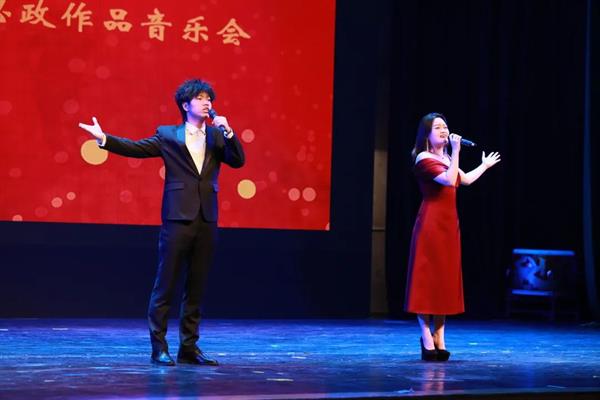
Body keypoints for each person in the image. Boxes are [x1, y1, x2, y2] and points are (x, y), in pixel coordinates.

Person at [78, 79, 245, 366]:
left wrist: (229, 132)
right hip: (177, 218)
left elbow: (238, 161)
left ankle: (189, 348)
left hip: (207, 218)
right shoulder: (168, 135)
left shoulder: (217, 136)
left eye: (209, 98)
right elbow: (136, 148)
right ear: (186, 105)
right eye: (200, 98)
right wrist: (104, 138)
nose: (207, 102)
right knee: (166, 284)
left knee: (196, 286)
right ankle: (159, 347)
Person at [405, 112, 500, 361]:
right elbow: (448, 180)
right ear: (426, 134)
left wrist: (484, 166)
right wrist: (456, 151)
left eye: (445, 127)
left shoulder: (447, 158)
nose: (444, 131)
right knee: (426, 282)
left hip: (449, 227)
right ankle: (426, 336)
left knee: (444, 280)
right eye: (438, 127)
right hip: (430, 225)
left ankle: (440, 336)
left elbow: (463, 180)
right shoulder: (423, 158)